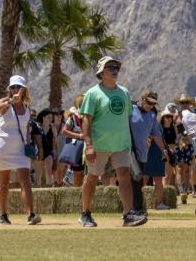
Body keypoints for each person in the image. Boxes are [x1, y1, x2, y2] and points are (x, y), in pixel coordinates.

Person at [78, 56, 146, 228]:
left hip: (121, 144)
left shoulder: (124, 92)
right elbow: (86, 120)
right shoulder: (93, 93)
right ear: (101, 72)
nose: (115, 70)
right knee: (92, 177)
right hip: (99, 145)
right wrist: (89, 145)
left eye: (116, 67)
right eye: (110, 67)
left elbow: (127, 118)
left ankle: (128, 214)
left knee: (124, 175)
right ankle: (85, 213)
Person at [0, 76, 42, 225]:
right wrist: (10, 101)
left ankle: (31, 214)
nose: (14, 90)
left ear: (23, 89)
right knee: (4, 182)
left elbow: (26, 129)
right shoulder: (5, 103)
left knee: (25, 181)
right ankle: (3, 214)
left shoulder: (27, 107)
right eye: (12, 87)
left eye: (18, 87)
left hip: (20, 148)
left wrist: (31, 145)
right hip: (3, 147)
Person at [130, 90, 170, 213]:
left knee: (138, 181)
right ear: (142, 99)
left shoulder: (152, 116)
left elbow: (157, 136)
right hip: (128, 151)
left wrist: (164, 150)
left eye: (153, 104)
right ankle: (133, 209)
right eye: (148, 102)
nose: (150, 106)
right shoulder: (130, 110)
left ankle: (136, 208)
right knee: (131, 180)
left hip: (142, 154)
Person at [62, 94, 86, 187]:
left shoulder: (93, 117)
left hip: (90, 147)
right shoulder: (73, 119)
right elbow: (64, 131)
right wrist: (79, 135)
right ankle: (77, 193)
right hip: (78, 149)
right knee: (78, 174)